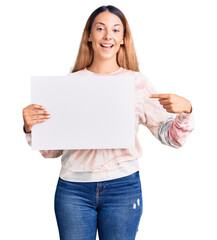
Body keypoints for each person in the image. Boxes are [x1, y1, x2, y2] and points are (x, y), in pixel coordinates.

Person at [22, 5, 194, 240]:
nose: (107, 36)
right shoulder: (69, 84)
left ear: (123, 39)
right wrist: (31, 128)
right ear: (89, 36)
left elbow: (172, 137)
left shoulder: (137, 83)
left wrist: (187, 110)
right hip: (73, 190)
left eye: (115, 30)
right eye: (100, 28)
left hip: (122, 188)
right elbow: (51, 151)